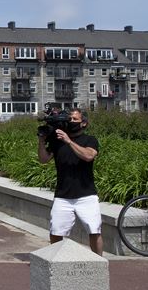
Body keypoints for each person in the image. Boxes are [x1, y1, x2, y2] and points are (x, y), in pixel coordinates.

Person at [37, 108, 103, 255]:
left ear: (84, 123)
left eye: (75, 119)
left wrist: (69, 141)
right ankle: (58, 260)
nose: (71, 122)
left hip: (86, 195)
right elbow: (43, 160)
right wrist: (41, 141)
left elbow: (88, 156)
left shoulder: (90, 140)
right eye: (69, 119)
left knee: (94, 231)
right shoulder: (57, 141)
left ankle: (100, 261)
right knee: (55, 232)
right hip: (63, 195)